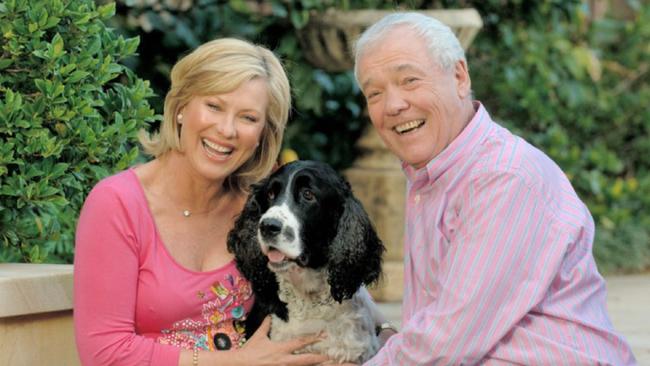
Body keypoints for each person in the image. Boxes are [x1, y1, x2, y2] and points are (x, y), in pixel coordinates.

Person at [353, 12, 637, 365]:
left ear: (459, 76)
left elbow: (445, 344)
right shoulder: (433, 177)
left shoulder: (502, 177)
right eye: (374, 93)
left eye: (409, 80)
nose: (393, 105)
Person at [73, 38, 333, 366]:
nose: (226, 130)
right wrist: (237, 362)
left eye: (248, 118)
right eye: (214, 106)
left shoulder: (260, 212)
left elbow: (330, 277)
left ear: (263, 135)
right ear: (181, 106)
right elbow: (104, 354)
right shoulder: (117, 204)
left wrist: (382, 332)